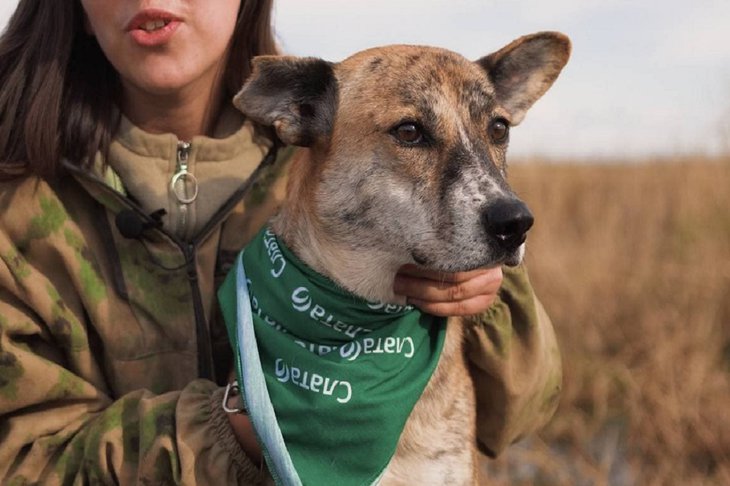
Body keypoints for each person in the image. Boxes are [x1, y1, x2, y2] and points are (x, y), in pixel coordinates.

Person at [0, 0, 562, 484]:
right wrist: (241, 428)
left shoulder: (381, 198)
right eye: (412, 133)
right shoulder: (16, 218)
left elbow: (520, 416)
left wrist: (482, 299)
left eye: (496, 129)